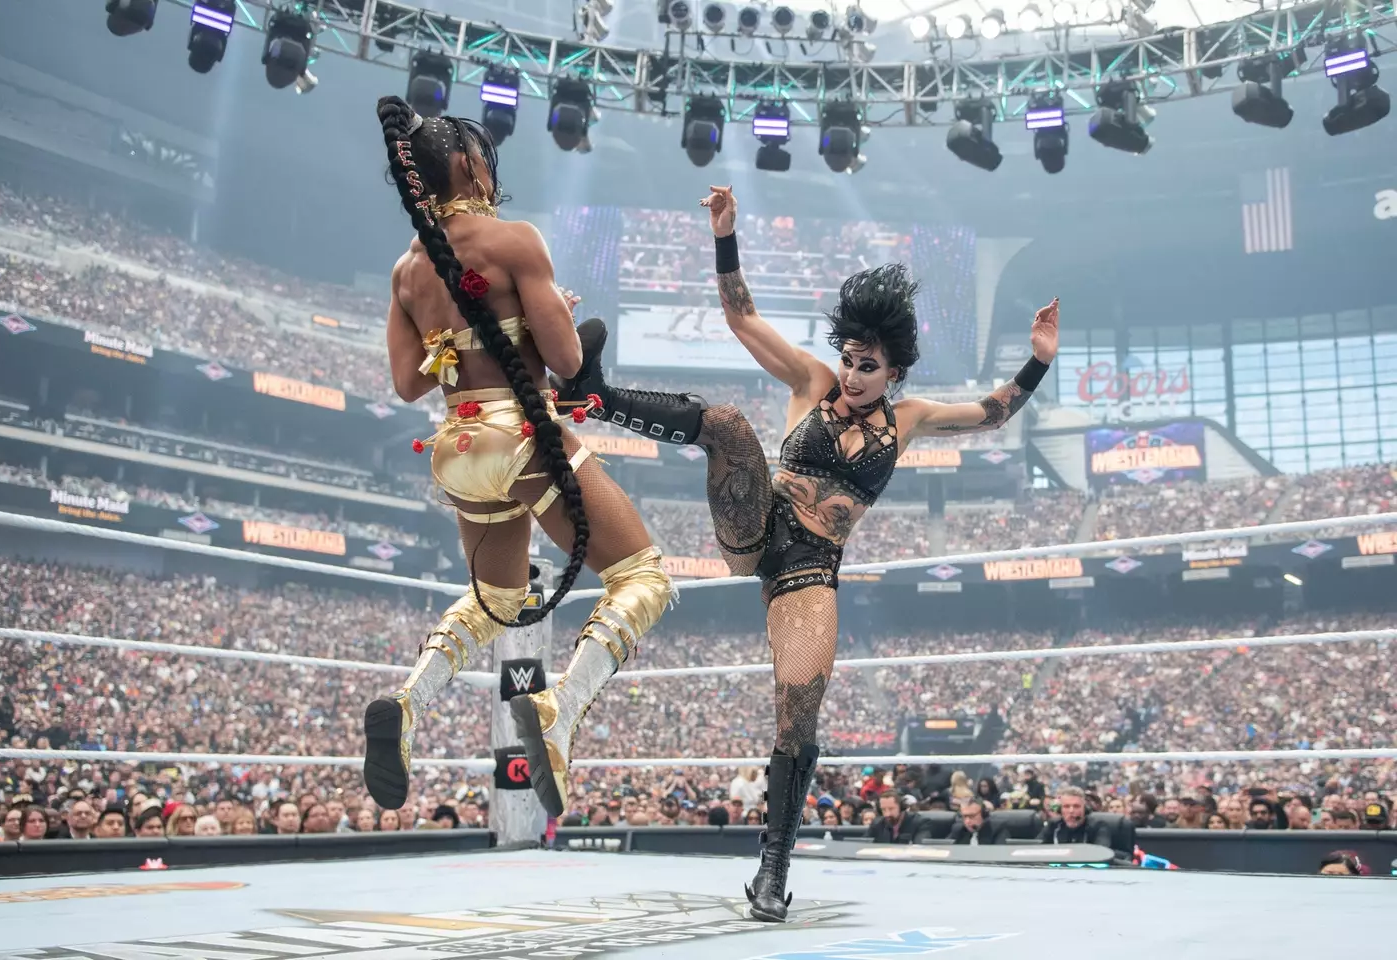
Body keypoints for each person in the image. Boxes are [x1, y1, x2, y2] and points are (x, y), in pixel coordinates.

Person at [554, 185, 1058, 921]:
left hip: (809, 568)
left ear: (896, 371)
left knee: (799, 713)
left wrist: (1037, 360)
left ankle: (772, 873)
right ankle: (591, 397)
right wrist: (726, 236)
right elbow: (740, 314)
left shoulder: (910, 420)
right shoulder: (811, 382)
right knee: (726, 424)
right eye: (850, 360)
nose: (852, 376)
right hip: (753, 524)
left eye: (869, 366)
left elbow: (993, 413)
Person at [363, 96, 672, 816]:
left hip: (455, 445)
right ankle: (557, 710)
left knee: (497, 598)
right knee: (643, 580)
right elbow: (566, 358)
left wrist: (466, 344)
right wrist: (551, 313)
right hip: (523, 432)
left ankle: (408, 704)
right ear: (470, 167)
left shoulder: (406, 272)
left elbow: (409, 384)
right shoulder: (515, 240)